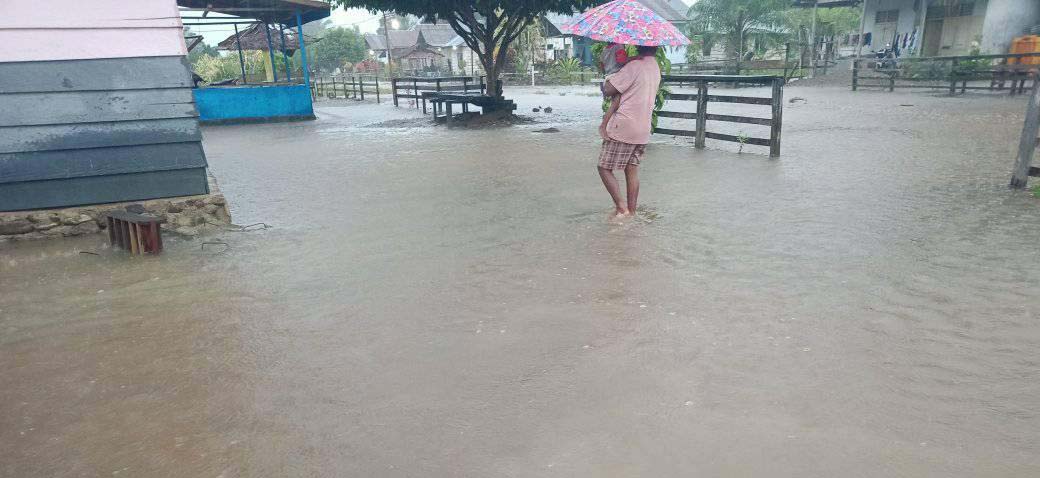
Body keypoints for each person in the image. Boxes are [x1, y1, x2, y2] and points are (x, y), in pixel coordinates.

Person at [597, 45, 660, 219]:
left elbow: (609, 89)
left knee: (603, 167)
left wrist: (605, 78)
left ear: (638, 45)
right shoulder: (654, 66)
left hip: (624, 126)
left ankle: (621, 208)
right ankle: (631, 212)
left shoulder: (634, 66)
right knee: (631, 170)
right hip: (643, 128)